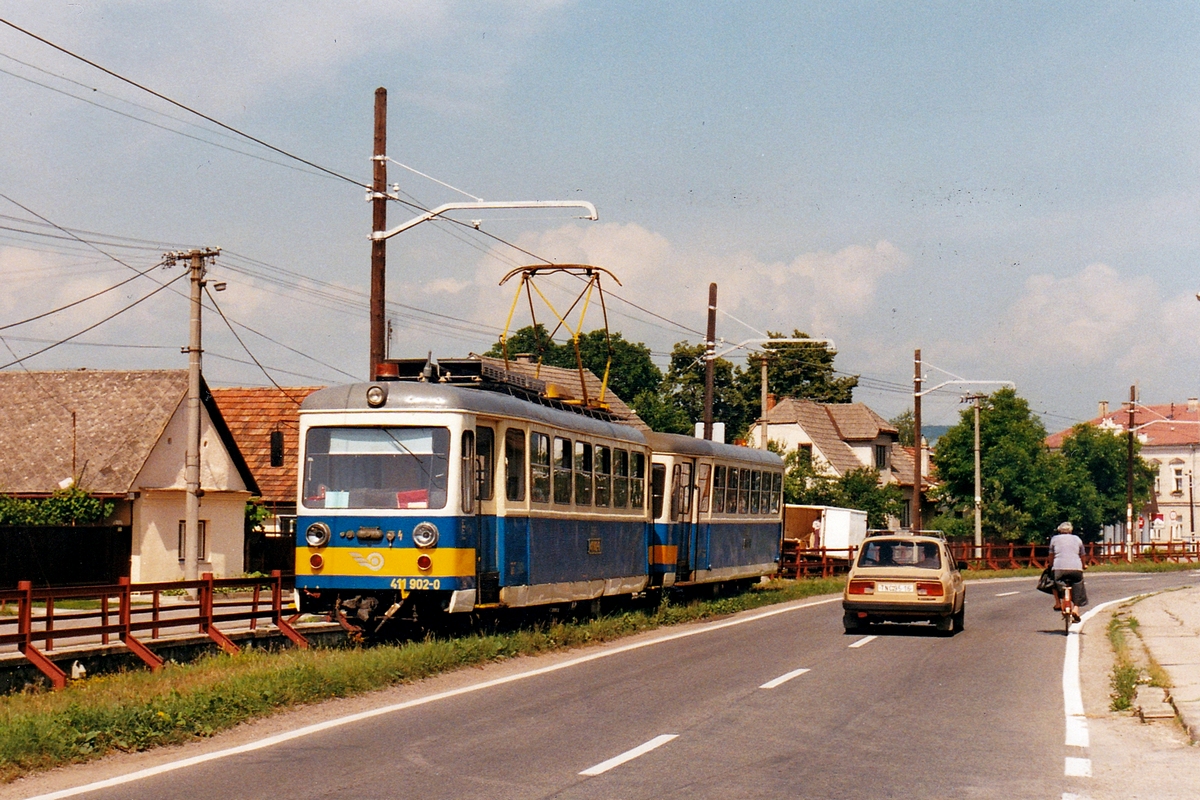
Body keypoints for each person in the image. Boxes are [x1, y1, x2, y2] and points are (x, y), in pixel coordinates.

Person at [1048, 521, 1086, 622]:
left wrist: (1051, 565)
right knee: (1078, 584)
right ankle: (1076, 608)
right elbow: (1082, 555)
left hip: (1059, 568)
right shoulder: (1077, 539)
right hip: (1076, 569)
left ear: (1060, 530)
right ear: (1071, 530)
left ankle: (1058, 603)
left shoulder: (1054, 539)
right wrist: (1083, 565)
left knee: (1053, 582)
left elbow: (1051, 555)